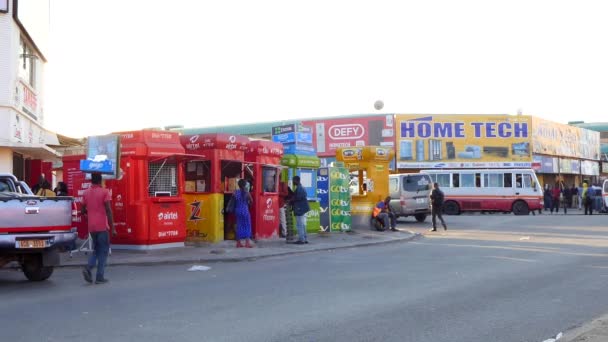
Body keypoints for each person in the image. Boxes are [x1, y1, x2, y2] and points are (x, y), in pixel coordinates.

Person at [81, 172, 115, 285]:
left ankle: (89, 268)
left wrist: (90, 213)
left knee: (96, 249)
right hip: (102, 226)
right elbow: (109, 210)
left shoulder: (86, 193)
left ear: (91, 181)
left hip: (92, 226)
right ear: (100, 181)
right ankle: (99, 276)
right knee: (103, 251)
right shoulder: (104, 192)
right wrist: (113, 227)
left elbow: (82, 210)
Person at [234, 179, 254, 248]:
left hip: (237, 210)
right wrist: (248, 204)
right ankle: (247, 243)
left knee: (239, 225)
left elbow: (234, 201)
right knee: (247, 225)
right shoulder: (247, 193)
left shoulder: (235, 192)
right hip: (245, 210)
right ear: (245, 185)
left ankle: (238, 243)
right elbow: (251, 201)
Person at [290, 176, 310, 245]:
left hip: (300, 209)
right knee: (303, 224)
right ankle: (304, 238)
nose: (293, 182)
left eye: (293, 180)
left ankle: (301, 240)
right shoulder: (301, 187)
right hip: (303, 208)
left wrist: (290, 200)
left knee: (300, 224)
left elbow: (298, 198)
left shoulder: (299, 188)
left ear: (296, 180)